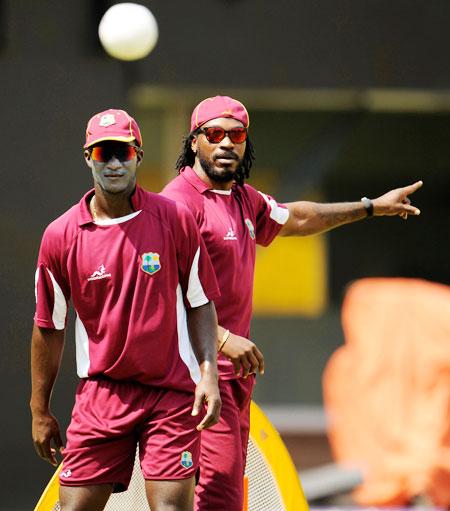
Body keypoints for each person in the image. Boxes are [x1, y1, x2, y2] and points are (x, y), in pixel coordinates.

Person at [161, 95, 423, 511]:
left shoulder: (243, 199)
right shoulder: (177, 204)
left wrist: (371, 207)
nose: (226, 143)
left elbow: (299, 217)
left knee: (221, 494)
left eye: (236, 134)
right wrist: (225, 339)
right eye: (214, 134)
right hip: (194, 375)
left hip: (232, 376)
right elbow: (160, 296)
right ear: (194, 142)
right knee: (214, 497)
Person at [30, 108, 222, 511]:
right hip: (103, 394)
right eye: (104, 154)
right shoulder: (61, 236)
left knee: (170, 509)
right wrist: (40, 409)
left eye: (123, 152)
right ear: (88, 157)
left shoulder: (174, 219)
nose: (114, 163)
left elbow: (200, 302)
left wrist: (209, 374)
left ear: (138, 154)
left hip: (170, 393)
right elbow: (49, 327)